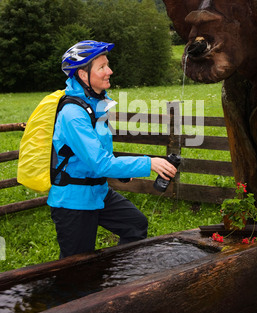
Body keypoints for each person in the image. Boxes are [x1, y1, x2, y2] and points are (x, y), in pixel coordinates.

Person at [48, 40, 177, 258]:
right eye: (102, 67)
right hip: (74, 200)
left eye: (107, 65)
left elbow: (99, 154)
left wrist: (124, 173)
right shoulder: (73, 114)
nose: (110, 71)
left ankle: (114, 277)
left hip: (98, 191)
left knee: (135, 225)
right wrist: (149, 162)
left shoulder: (96, 104)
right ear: (82, 75)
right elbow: (99, 163)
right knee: (76, 267)